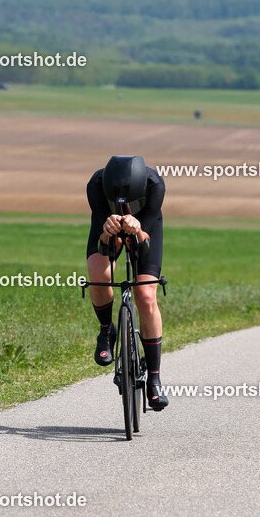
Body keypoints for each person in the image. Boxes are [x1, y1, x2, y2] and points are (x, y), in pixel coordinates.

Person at [85, 155, 168, 410]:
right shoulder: (96, 185)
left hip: (145, 230)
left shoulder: (155, 185)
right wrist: (109, 229)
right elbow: (104, 246)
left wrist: (137, 228)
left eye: (132, 202)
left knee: (145, 295)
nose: (126, 206)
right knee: (99, 275)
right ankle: (107, 330)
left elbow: (144, 244)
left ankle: (154, 378)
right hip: (107, 229)